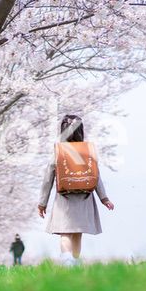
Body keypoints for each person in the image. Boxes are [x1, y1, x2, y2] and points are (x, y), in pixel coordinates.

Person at [38, 114, 115, 266]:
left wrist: (42, 203)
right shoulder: (87, 151)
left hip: (64, 198)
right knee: (77, 232)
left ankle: (67, 260)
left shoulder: (59, 151)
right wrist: (104, 198)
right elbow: (96, 175)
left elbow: (48, 178)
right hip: (84, 197)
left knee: (65, 232)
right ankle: (75, 261)